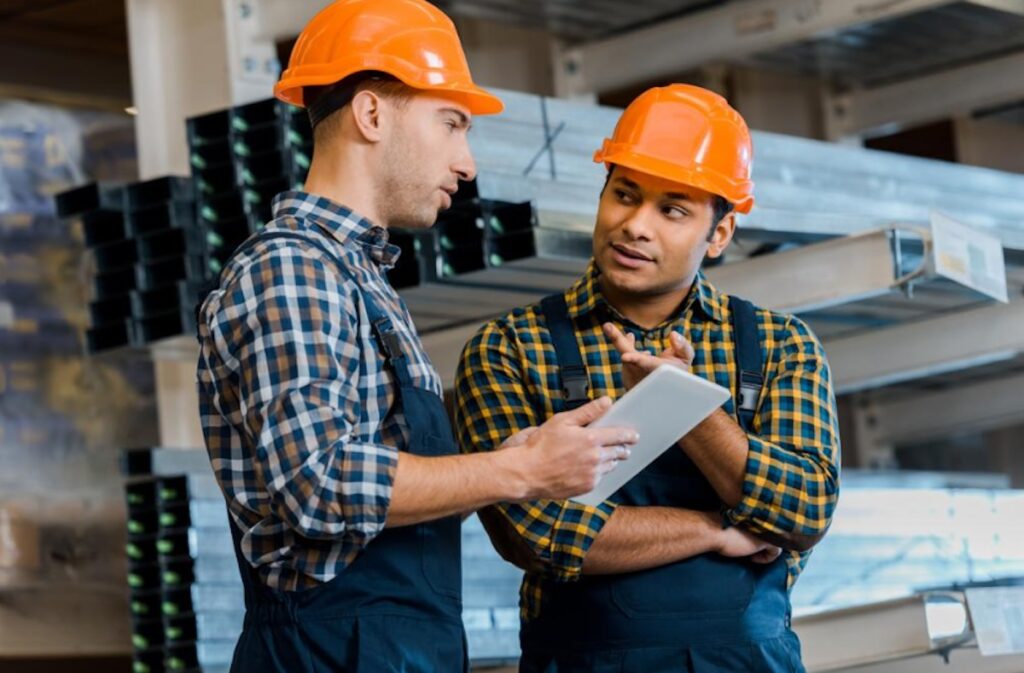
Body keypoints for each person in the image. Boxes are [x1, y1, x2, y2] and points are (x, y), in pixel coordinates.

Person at [195, 2, 636, 671]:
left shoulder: (362, 281)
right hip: (330, 652)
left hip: (395, 648)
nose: (466, 163)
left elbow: (378, 512)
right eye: (452, 123)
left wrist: (517, 466)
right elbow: (320, 484)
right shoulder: (292, 269)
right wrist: (515, 469)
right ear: (371, 115)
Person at [454, 84, 841, 672]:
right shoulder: (508, 348)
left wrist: (685, 408)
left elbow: (804, 510)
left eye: (673, 210)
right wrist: (717, 531)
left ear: (719, 234)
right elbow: (535, 532)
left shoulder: (778, 345)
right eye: (624, 195)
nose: (635, 225)